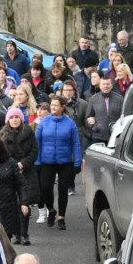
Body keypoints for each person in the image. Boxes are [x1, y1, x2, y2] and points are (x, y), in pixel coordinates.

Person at [35, 96, 80, 229]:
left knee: (62, 188)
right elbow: (37, 143)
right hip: (47, 161)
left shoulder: (70, 123)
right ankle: (52, 211)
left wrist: (77, 162)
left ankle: (61, 218)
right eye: (52, 105)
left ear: (63, 107)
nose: (53, 107)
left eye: (56, 105)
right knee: (45, 188)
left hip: (65, 161)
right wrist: (37, 161)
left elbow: (76, 143)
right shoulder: (44, 122)